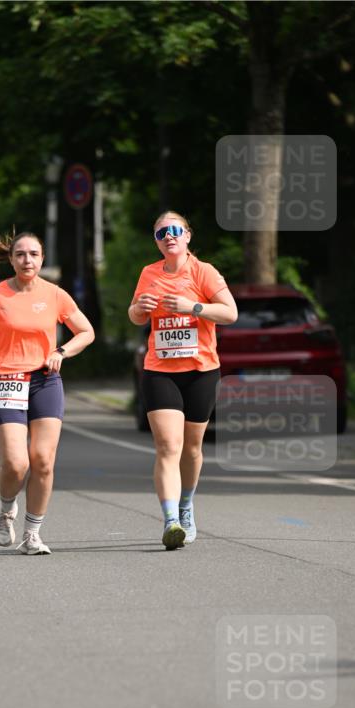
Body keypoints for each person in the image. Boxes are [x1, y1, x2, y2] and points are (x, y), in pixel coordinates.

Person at [0, 232, 94, 554]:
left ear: (42, 259)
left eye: (33, 254)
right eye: (20, 254)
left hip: (45, 380)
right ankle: (6, 511)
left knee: (42, 460)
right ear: (11, 259)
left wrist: (62, 351)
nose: (27, 260)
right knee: (16, 463)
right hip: (7, 379)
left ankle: (32, 534)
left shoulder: (55, 294)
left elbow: (86, 331)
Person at [128, 211, 238, 550]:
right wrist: (140, 308)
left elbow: (230, 313)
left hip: (201, 371)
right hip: (160, 370)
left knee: (191, 449)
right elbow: (134, 315)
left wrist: (194, 307)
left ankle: (186, 506)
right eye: (161, 233)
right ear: (156, 241)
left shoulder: (203, 271)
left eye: (175, 230)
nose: (169, 237)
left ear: (188, 235)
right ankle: (170, 520)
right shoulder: (149, 273)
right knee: (168, 446)